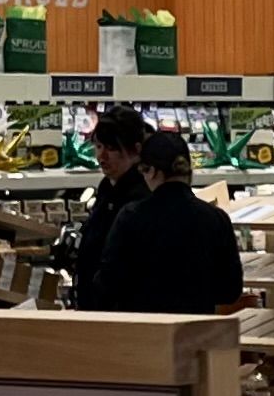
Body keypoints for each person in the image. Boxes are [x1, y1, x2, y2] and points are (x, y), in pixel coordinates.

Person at [78, 127, 242, 313]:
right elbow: (230, 291)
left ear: (152, 172)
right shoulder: (216, 218)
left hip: (143, 332)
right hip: (196, 332)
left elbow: (107, 284)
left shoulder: (131, 217)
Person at [67, 104, 153, 284]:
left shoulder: (141, 196)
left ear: (136, 150)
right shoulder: (107, 185)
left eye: (112, 148)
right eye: (98, 146)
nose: (101, 156)